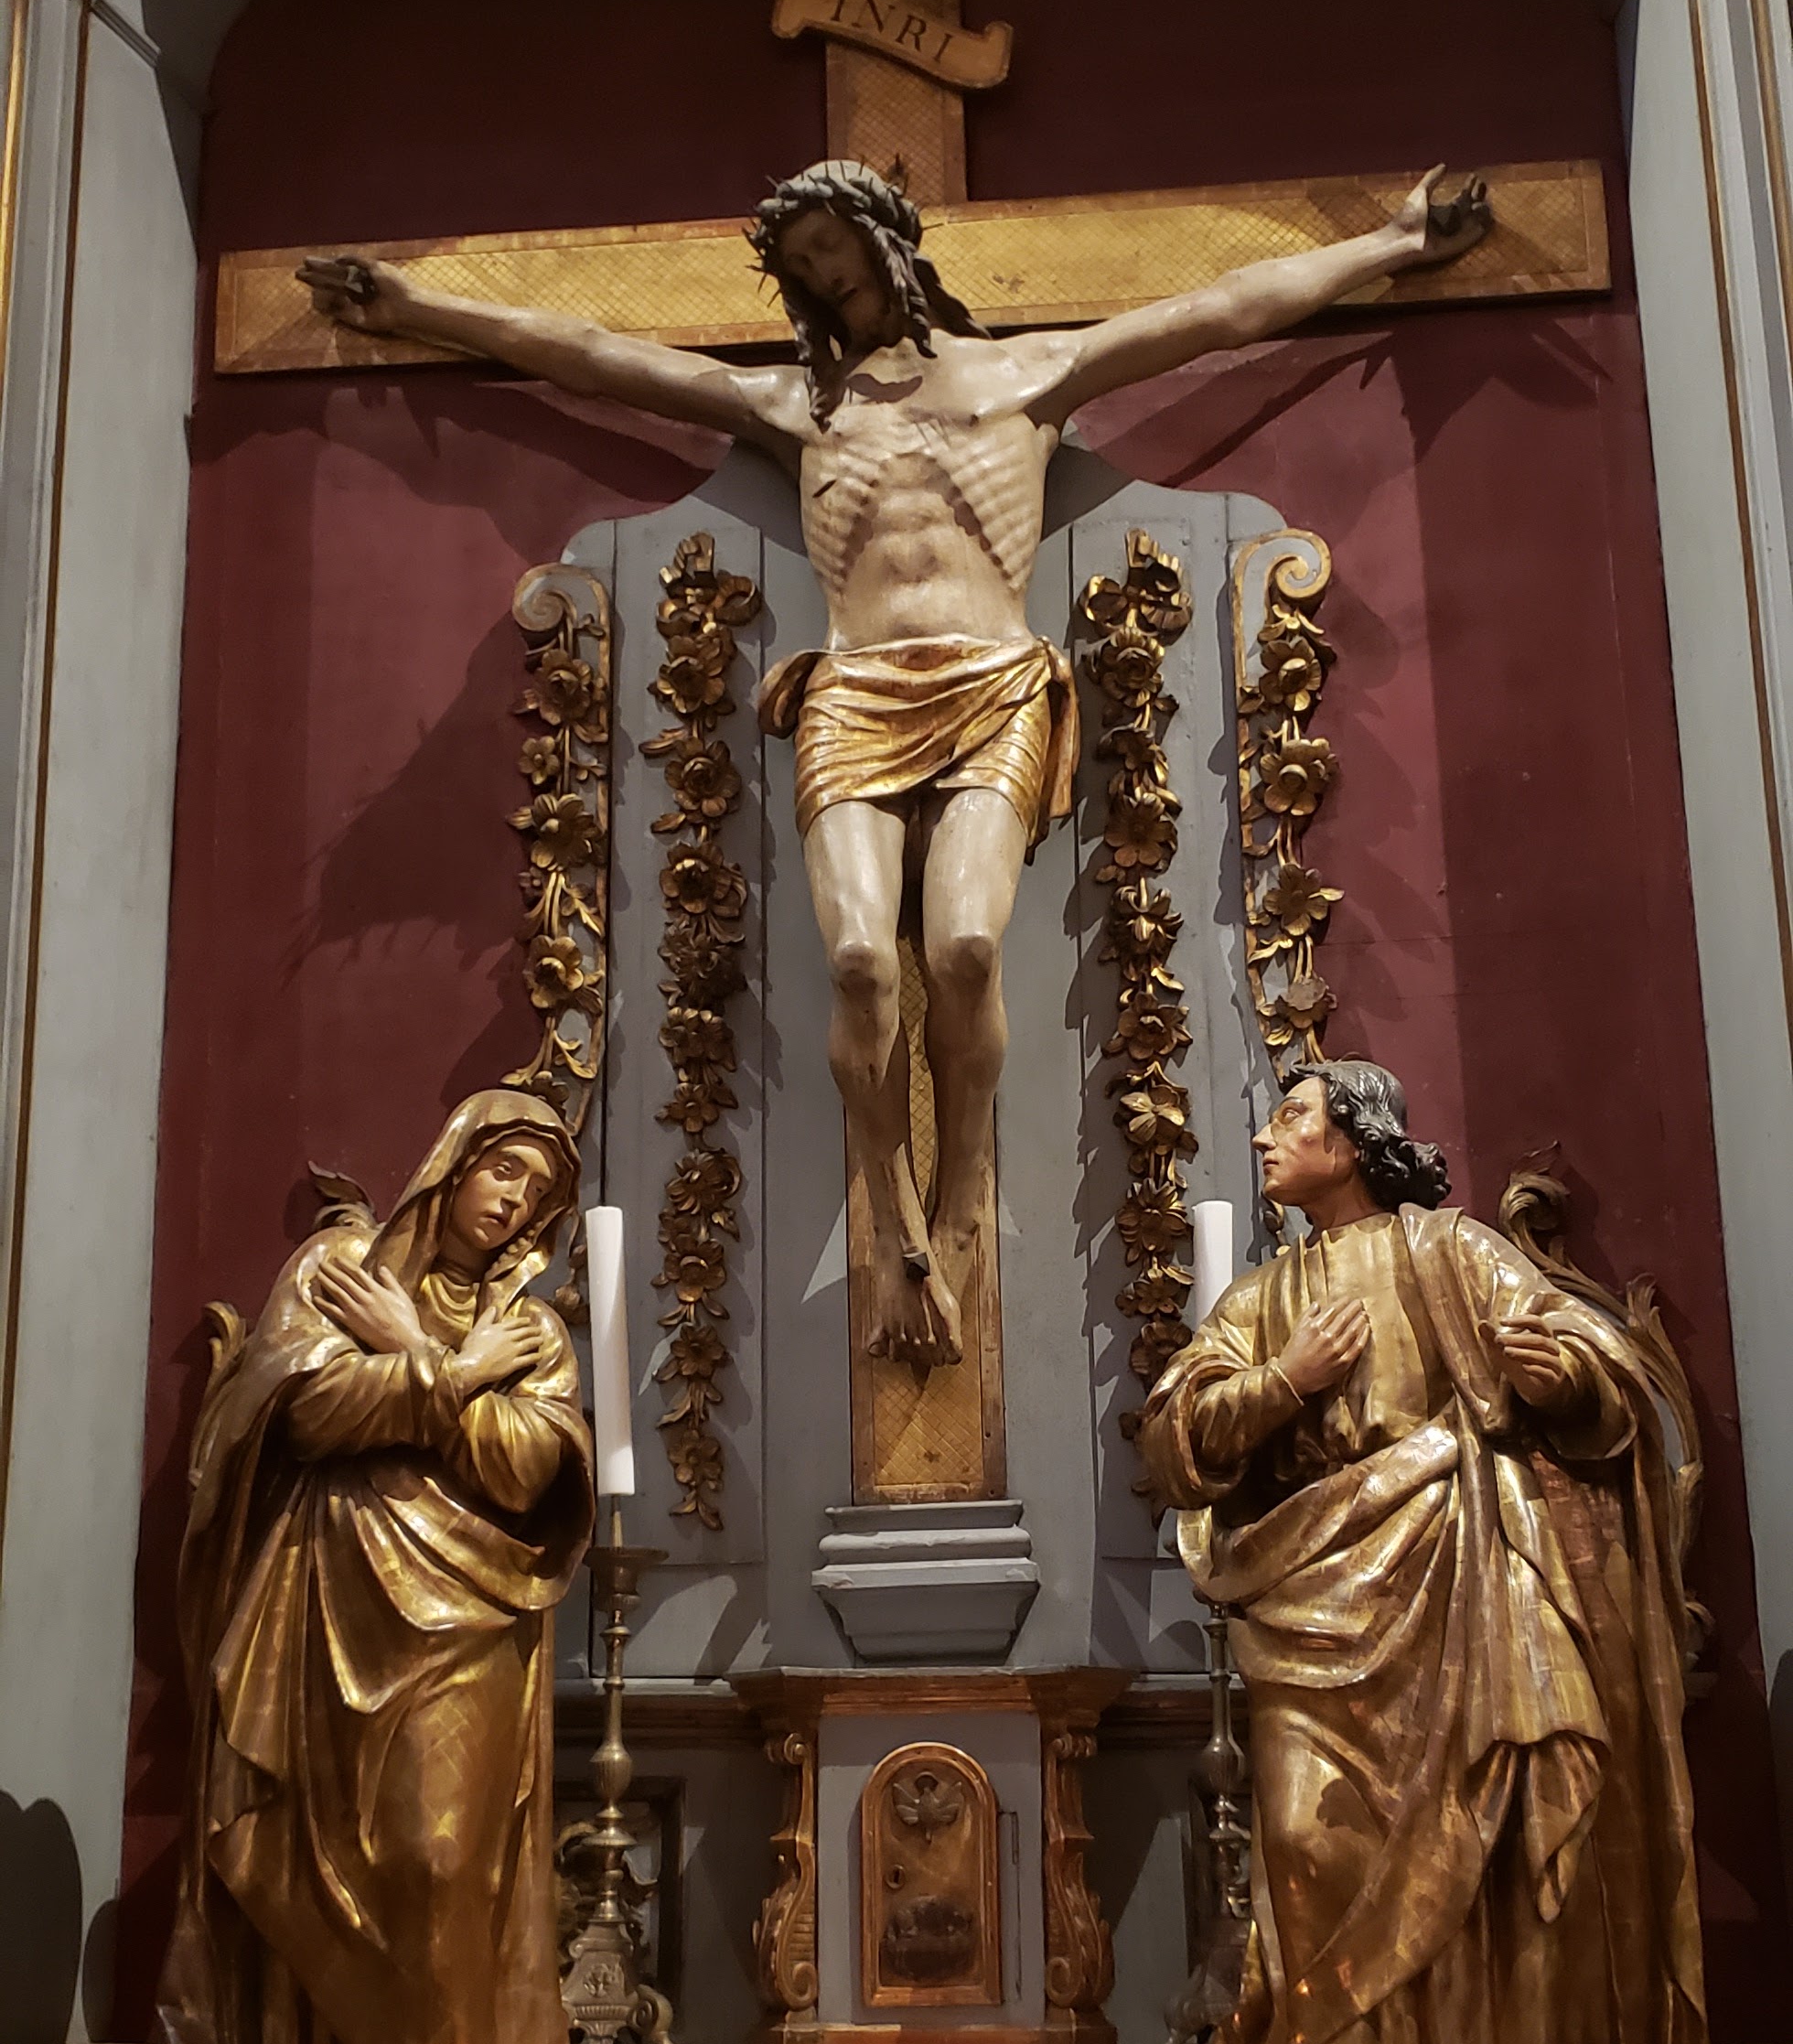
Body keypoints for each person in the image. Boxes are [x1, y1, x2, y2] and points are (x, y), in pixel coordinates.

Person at [300, 158, 1487, 1365]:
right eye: (805, 271)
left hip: (991, 684)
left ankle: (961, 1188)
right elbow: (602, 356)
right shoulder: (799, 409)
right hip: (855, 690)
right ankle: (891, 1205)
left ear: (891, 247)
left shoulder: (1032, 375)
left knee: (964, 947)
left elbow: (1219, 310)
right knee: (862, 961)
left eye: (838, 253)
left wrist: (1393, 245)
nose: (829, 283)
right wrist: (417, 307)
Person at [1139, 1060, 1714, 2044]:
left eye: (1292, 1117)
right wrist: (1283, 1381)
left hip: (1460, 1571)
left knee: (1481, 1854)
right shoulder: (1264, 1295)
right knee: (1305, 1840)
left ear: (1354, 1140)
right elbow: (1175, 1437)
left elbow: (1592, 1365)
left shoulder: (1453, 1251)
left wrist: (1561, 1378)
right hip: (1313, 1590)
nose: (1266, 1137)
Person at [102, 1091, 604, 2044]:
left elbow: (522, 1470)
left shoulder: (535, 1331)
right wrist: (457, 1374)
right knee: (305, 1853)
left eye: (536, 1194)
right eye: (504, 1171)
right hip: (328, 1595)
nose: (514, 1202)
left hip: (468, 1618)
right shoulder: (342, 1268)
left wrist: (415, 1357)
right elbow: (312, 1410)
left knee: (439, 1861)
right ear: (456, 1163)